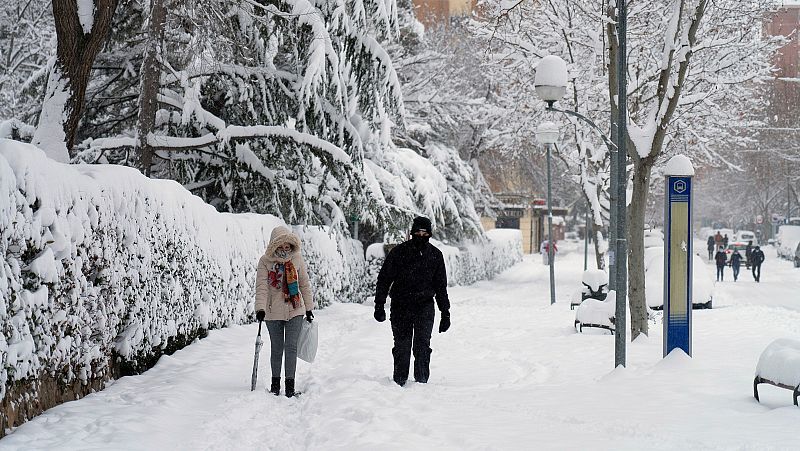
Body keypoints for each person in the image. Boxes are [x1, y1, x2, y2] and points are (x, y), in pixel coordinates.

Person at [373, 216, 450, 386]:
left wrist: (445, 312)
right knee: (402, 346)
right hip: (401, 306)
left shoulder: (435, 255)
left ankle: (421, 383)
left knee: (422, 346)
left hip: (425, 307)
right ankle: (399, 382)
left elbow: (440, 287)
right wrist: (379, 304)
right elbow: (384, 279)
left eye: (425, 232)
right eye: (418, 232)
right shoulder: (399, 252)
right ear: (412, 232)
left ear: (429, 234)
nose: (421, 235)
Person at [255, 226, 314, 397]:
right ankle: (275, 386)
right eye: (281, 246)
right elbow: (261, 288)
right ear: (275, 245)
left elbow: (304, 284)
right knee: (277, 348)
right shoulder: (265, 262)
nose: (285, 249)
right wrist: (260, 308)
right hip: (272, 312)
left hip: (295, 309)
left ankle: (290, 387)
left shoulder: (297, 259)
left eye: (288, 245)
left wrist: (309, 308)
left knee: (291, 347)